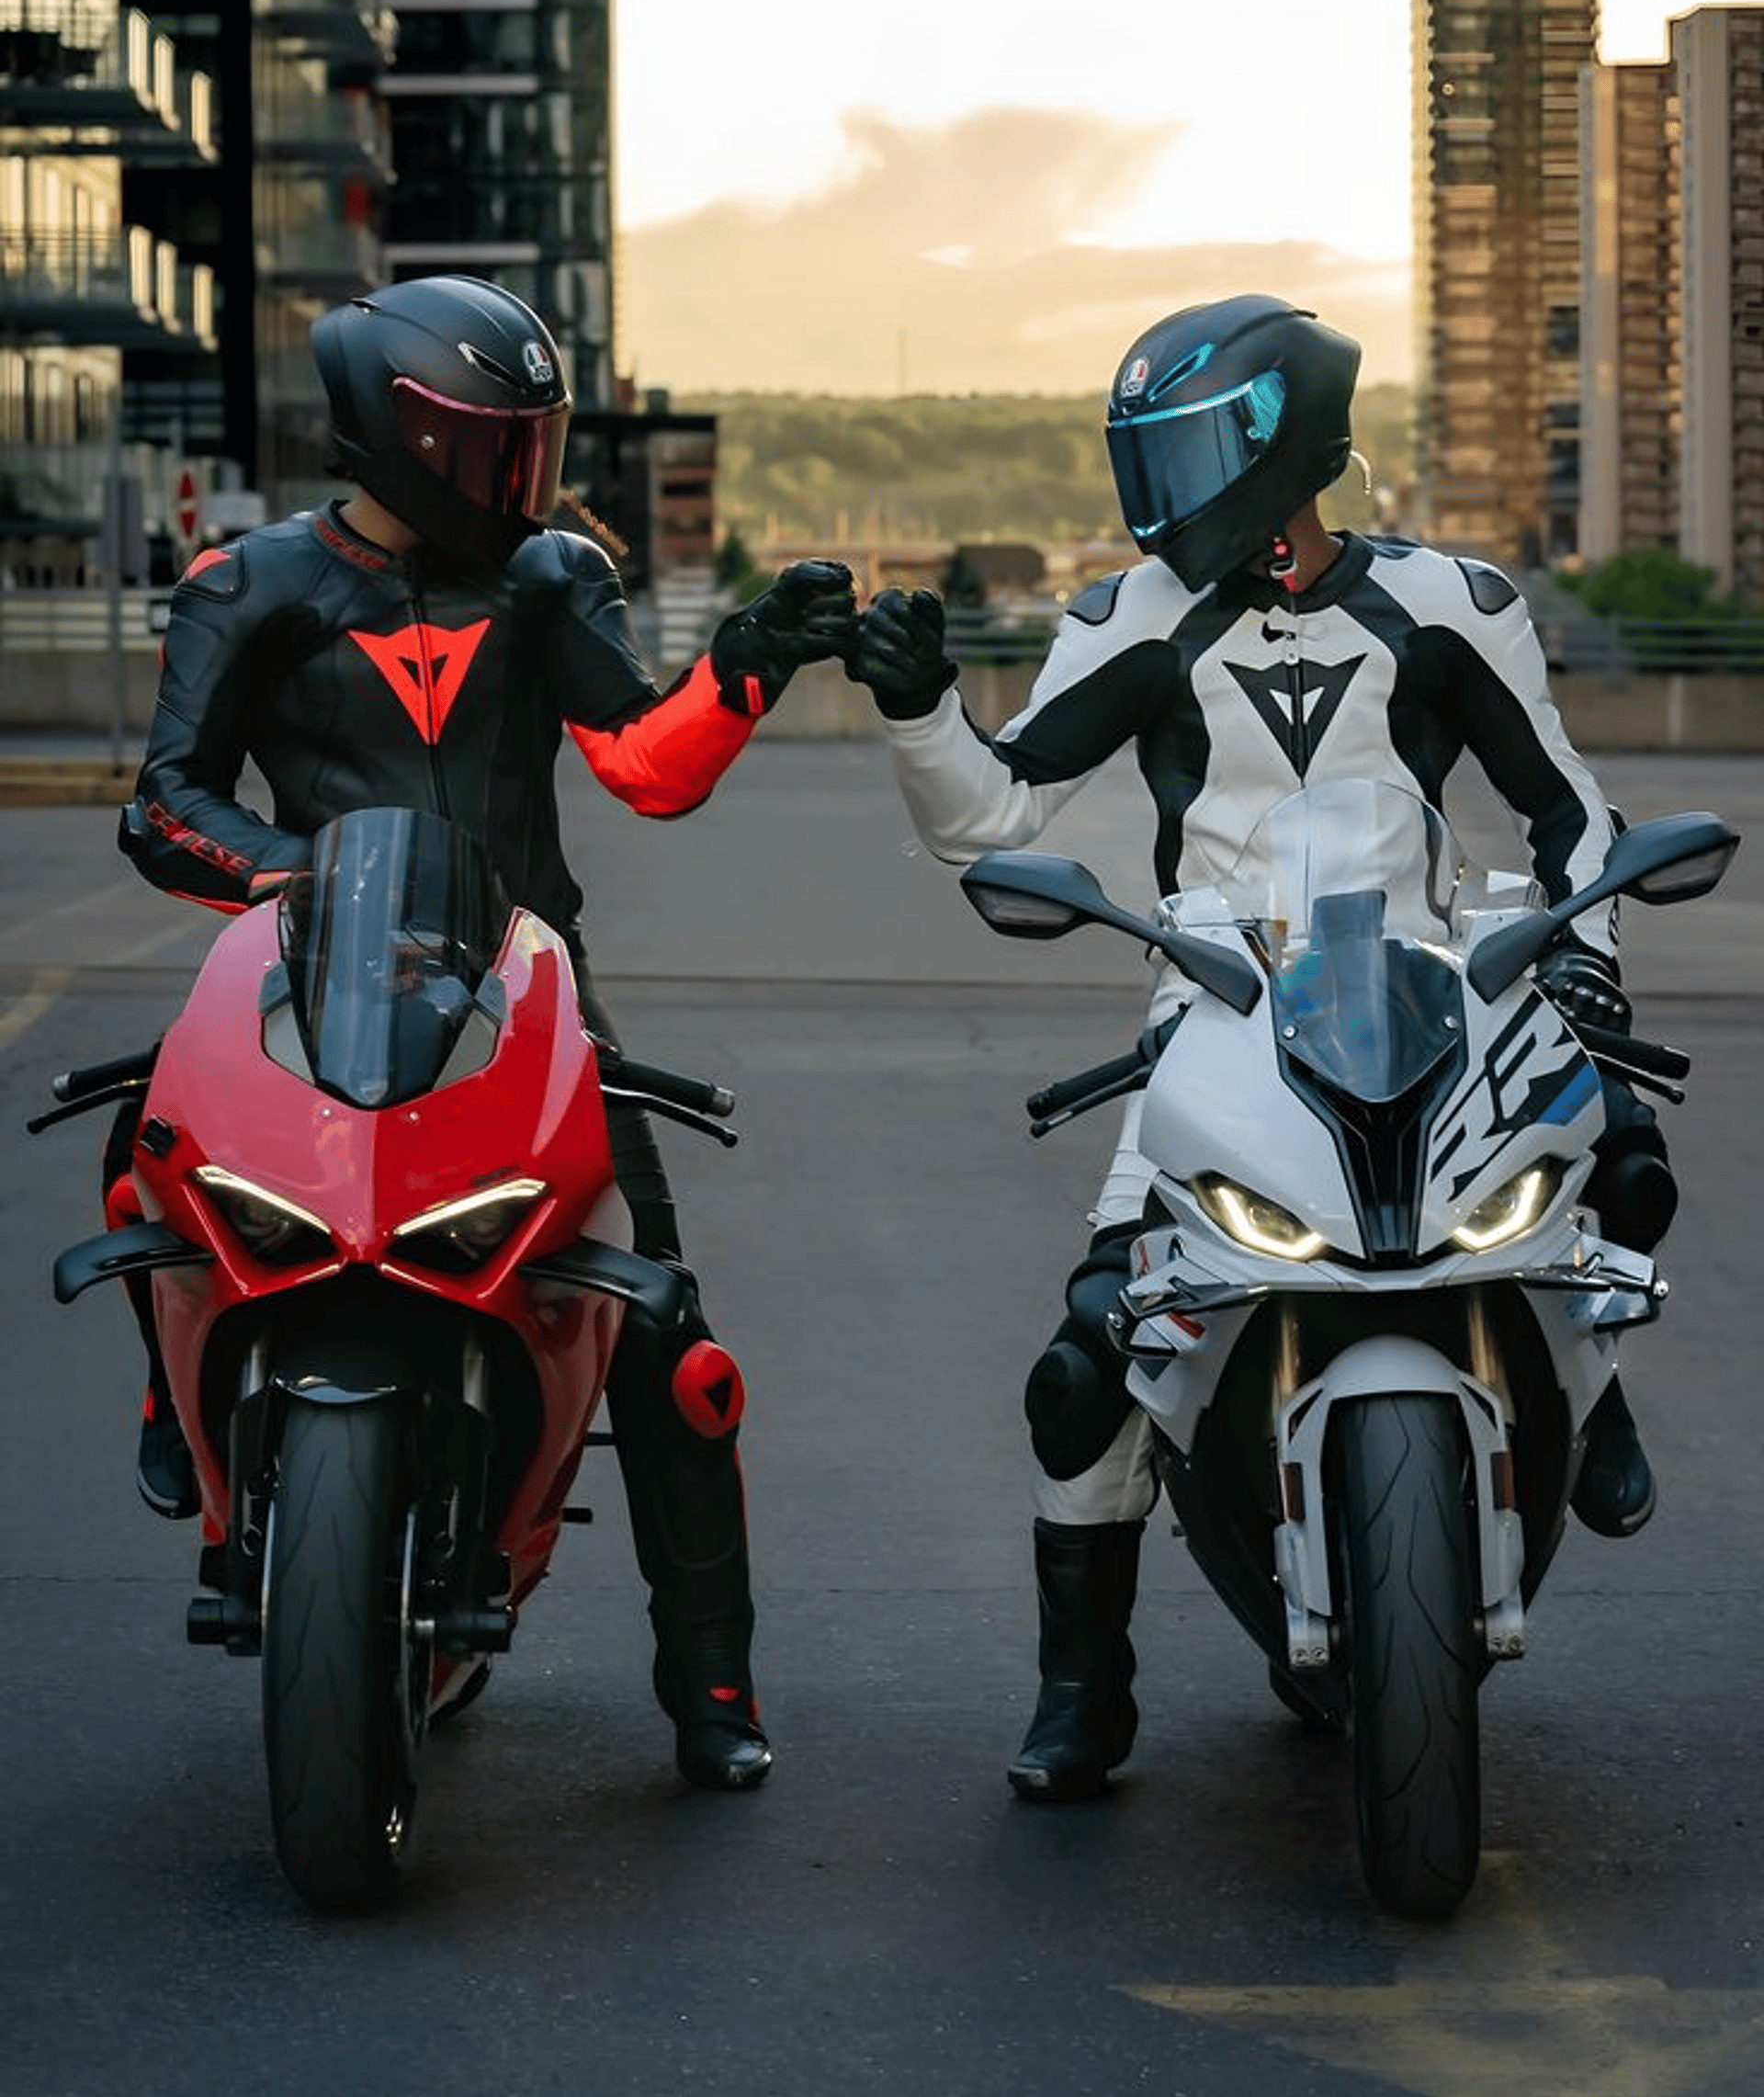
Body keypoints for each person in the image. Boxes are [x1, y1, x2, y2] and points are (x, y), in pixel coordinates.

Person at [845, 291, 1677, 1803]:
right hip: (1215, 1010)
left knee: (1613, 1159)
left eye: (1181, 452)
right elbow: (995, 812)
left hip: (1429, 989)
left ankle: (1595, 1394)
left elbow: (1570, 815)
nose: (1155, 493)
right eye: (1140, 456)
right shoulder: (1135, 621)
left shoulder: (1449, 603)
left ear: (1281, 440)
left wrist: (1592, 974)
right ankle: (1082, 1689)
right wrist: (917, 707)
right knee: (1085, 1359)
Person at [108, 273, 857, 1792]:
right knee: (145, 1175)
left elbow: (647, 768)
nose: (520, 478)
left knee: (668, 1335)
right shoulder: (247, 584)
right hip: (305, 972)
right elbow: (160, 801)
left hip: (529, 987)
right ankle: (172, 1407)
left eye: (532, 445)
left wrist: (752, 657)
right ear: (403, 439)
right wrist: (294, 873)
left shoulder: (549, 577)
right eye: (492, 448)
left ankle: (712, 1687)